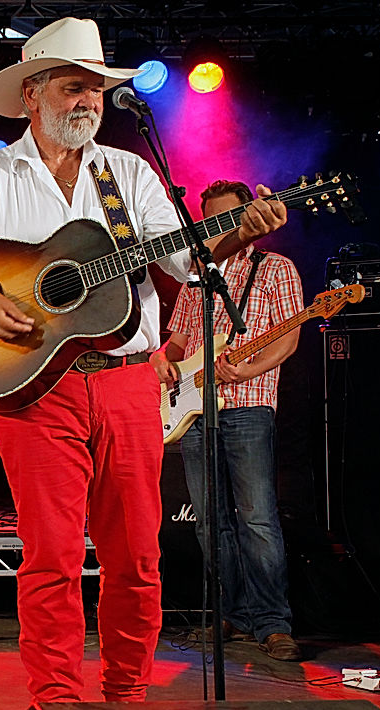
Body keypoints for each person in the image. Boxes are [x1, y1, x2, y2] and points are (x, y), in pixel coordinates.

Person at [0, 18, 287, 702]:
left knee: (137, 556)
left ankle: (127, 699)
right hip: (34, 392)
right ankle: (57, 708)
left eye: (97, 90)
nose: (89, 101)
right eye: (74, 87)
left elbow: (184, 259)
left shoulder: (127, 173)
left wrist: (229, 237)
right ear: (32, 95)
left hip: (131, 384)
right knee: (51, 557)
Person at [152, 180, 303, 662]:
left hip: (249, 404)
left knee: (257, 519)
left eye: (224, 220)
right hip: (195, 409)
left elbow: (288, 338)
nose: (215, 230)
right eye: (208, 223)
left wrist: (248, 368)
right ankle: (233, 615)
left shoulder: (275, 268)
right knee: (210, 525)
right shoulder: (195, 277)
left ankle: (273, 622)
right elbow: (179, 342)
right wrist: (161, 359)